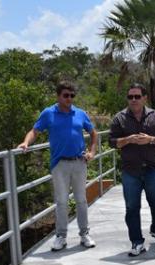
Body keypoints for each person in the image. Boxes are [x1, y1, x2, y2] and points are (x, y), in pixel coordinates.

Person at [17, 81, 97, 251]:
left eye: (72, 96)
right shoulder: (48, 113)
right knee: (61, 201)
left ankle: (84, 234)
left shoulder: (80, 113)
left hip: (79, 162)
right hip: (59, 164)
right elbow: (35, 131)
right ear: (58, 96)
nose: (69, 99)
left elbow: (93, 133)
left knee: (81, 200)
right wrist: (26, 142)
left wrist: (92, 152)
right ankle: (61, 236)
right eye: (65, 95)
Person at [108, 83, 155, 257]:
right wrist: (127, 139)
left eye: (137, 96)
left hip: (152, 169)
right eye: (130, 97)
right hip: (130, 171)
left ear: (144, 98)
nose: (133, 100)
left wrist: (151, 139)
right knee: (132, 208)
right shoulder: (119, 118)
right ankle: (136, 242)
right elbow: (112, 142)